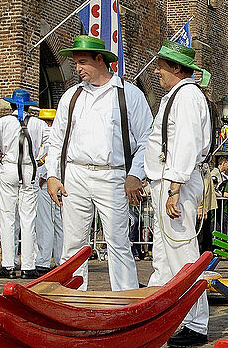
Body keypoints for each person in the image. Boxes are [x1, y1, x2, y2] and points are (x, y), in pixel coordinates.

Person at [45, 35, 153, 290]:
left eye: (83, 62)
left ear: (100, 60)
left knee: (118, 241)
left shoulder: (129, 95)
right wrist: (52, 175)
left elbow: (147, 139)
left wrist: (135, 174)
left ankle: (125, 299)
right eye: (75, 63)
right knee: (72, 242)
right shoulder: (71, 97)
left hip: (112, 175)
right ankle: (71, 299)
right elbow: (56, 139)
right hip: (75, 174)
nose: (78, 68)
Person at [144, 41, 213, 348]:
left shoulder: (186, 96)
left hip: (176, 182)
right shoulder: (178, 96)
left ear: (175, 68)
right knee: (164, 255)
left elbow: (185, 142)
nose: (156, 70)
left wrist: (175, 186)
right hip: (169, 180)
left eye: (161, 65)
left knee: (182, 252)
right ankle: (155, 312)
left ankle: (196, 321)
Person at [0, 90, 48, 278]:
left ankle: (8, 265)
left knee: (7, 218)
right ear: (28, 106)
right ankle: (28, 266)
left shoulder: (3, 123)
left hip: (9, 168)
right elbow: (53, 143)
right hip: (29, 169)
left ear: (11, 105)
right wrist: (41, 160)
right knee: (28, 219)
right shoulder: (37, 124)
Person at [34, 108, 62, 272]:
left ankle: (43, 261)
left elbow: (48, 160)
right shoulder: (61, 136)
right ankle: (60, 259)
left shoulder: (49, 137)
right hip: (60, 184)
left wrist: (42, 178)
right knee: (59, 224)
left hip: (47, 184)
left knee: (45, 222)